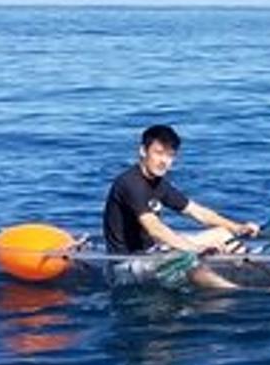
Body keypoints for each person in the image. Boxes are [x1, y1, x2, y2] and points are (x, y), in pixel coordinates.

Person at [102, 124, 261, 289]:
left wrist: (237, 227)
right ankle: (237, 292)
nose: (164, 161)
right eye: (158, 153)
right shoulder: (130, 183)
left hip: (152, 252)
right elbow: (154, 228)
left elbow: (197, 212)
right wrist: (194, 249)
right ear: (143, 151)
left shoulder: (159, 184)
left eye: (170, 156)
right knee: (187, 261)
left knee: (221, 234)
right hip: (126, 265)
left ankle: (256, 274)